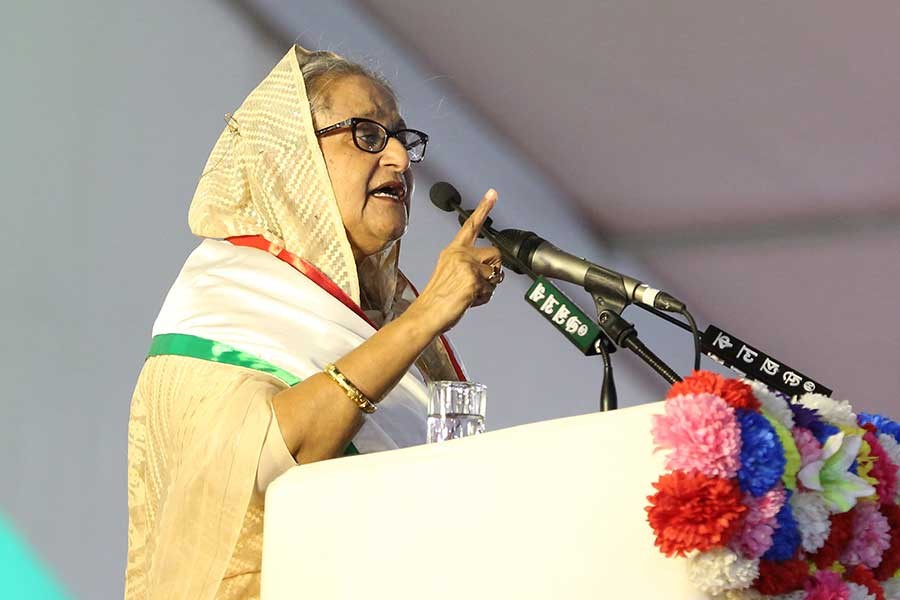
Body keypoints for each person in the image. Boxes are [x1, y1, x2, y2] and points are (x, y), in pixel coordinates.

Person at [125, 45, 503, 599]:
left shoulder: (375, 325)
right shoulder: (222, 308)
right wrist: (424, 317)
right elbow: (266, 463)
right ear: (290, 157)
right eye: (368, 135)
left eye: (401, 137)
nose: (399, 157)